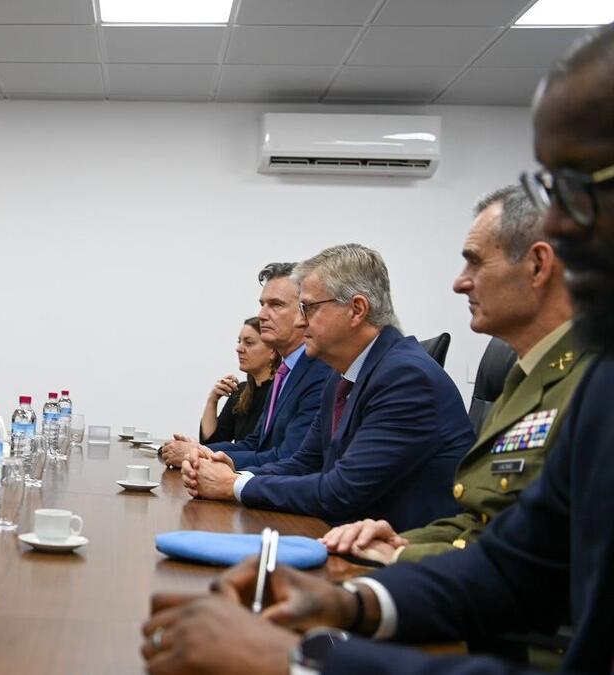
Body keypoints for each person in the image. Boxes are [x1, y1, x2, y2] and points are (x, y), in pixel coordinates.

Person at [139, 24, 614, 675]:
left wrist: (301, 662)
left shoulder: (411, 375)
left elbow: (339, 490)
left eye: (577, 188)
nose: (556, 224)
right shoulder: (595, 381)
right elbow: (514, 561)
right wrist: (354, 603)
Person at [322, 185, 590, 565]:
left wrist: (400, 559)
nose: (460, 282)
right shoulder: (523, 378)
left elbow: (546, 555)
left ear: (537, 265)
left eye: (476, 263)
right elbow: (479, 520)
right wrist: (399, 544)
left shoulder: (591, 385)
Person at [181, 244, 474, 531]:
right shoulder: (342, 376)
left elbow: (342, 490)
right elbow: (304, 463)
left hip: (397, 550)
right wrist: (234, 473)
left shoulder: (406, 377)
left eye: (308, 308)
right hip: (344, 533)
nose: (299, 322)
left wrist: (233, 485)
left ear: (356, 310)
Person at [161, 263, 333, 469]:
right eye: (262, 304)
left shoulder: (320, 373)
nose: (262, 315)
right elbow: (255, 444)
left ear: (305, 311)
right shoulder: (285, 373)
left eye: (276, 305)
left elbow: (289, 458)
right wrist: (198, 450)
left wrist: (199, 455)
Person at [198, 317, 277, 445]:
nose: (239, 349)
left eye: (249, 343)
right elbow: (212, 443)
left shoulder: (281, 391)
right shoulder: (241, 391)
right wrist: (212, 400)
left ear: (272, 351)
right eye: (239, 342)